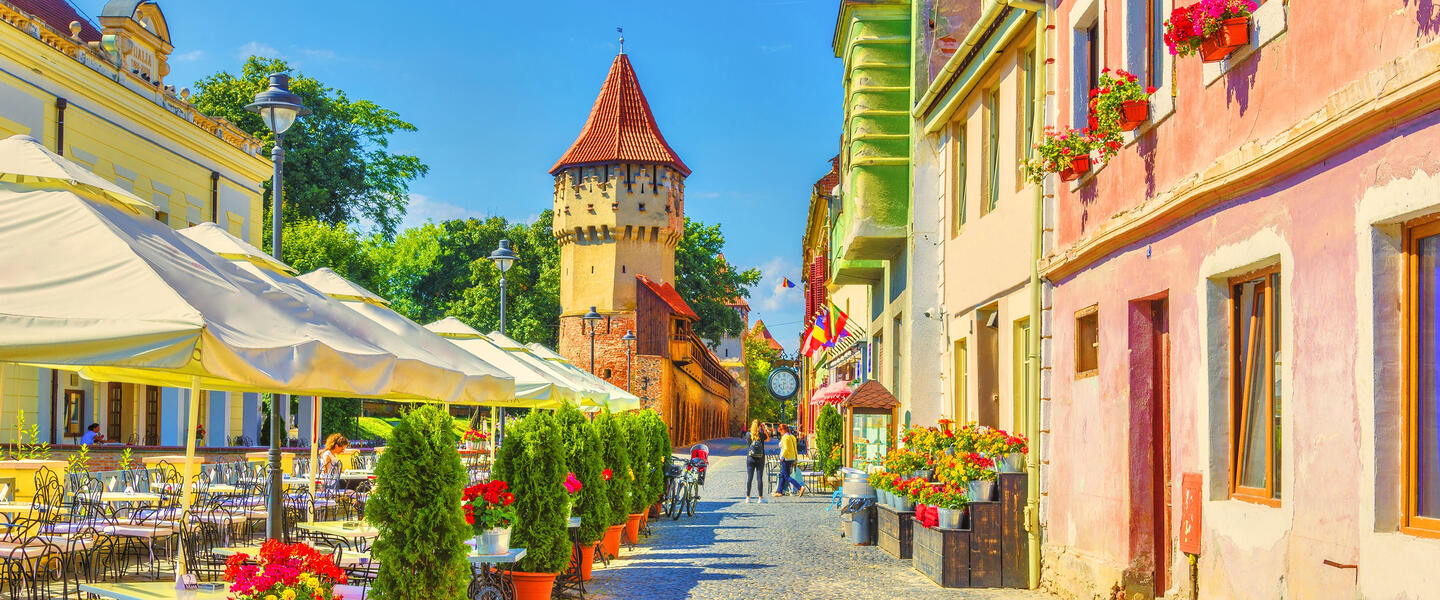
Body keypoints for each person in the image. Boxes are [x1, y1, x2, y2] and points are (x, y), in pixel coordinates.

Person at [774, 424, 806, 497]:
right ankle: (779, 491)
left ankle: (800, 487)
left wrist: (782, 457)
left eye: (780, 431)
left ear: (782, 430)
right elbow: (795, 449)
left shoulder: (785, 437)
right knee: (782, 475)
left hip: (786, 458)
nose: (780, 433)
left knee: (786, 476)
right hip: (791, 458)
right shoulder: (792, 437)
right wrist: (795, 459)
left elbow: (785, 449)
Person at [744, 420, 768, 504]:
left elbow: (748, 442)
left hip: (750, 458)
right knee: (759, 478)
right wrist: (764, 429)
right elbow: (767, 438)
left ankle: (748, 498)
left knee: (749, 478)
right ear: (759, 427)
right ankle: (760, 498)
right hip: (760, 458)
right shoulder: (761, 435)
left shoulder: (748, 434)